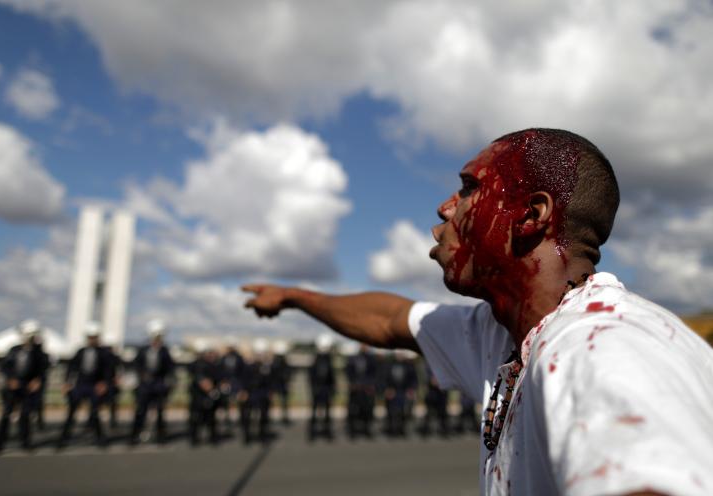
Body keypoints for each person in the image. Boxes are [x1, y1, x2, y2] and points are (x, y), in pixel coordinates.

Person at [243, 128, 713, 495]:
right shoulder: (502, 334)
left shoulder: (604, 346)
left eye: (469, 188)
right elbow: (390, 320)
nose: (445, 208)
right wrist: (293, 296)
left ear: (531, 216)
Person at [0, 320, 48, 453]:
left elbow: (43, 369)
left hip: (27, 388)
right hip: (12, 387)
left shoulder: (39, 353)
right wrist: (10, 379)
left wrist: (37, 380)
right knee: (6, 414)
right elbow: (4, 365)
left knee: (25, 416)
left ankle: (25, 442)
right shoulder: (14, 350)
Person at [58, 321, 114, 448]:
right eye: (90, 337)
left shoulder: (104, 353)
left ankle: (100, 439)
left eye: (94, 337)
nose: (92, 339)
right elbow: (72, 368)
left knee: (95, 413)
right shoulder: (81, 351)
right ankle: (63, 439)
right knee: (72, 412)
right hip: (80, 385)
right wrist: (67, 382)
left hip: (95, 386)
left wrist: (104, 383)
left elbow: (108, 370)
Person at [130, 319, 176, 445]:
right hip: (145, 386)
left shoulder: (165, 351)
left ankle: (161, 436)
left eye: (160, 336)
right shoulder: (143, 350)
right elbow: (136, 365)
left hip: (159, 385)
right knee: (140, 411)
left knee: (160, 412)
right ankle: (134, 435)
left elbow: (170, 368)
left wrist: (169, 382)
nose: (158, 339)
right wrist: (141, 375)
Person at [239, 338, 275, 444]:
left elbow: (270, 381)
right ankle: (247, 436)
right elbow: (243, 379)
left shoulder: (267, 367)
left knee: (264, 416)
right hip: (250, 393)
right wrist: (243, 391)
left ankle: (262, 435)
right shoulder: (248, 367)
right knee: (247, 415)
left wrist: (270, 392)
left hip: (262, 393)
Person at [188, 338, 222, 445]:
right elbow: (202, 381)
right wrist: (210, 389)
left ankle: (210, 437)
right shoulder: (198, 365)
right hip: (199, 395)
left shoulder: (211, 364)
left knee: (209, 417)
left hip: (204, 395)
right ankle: (196, 437)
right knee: (198, 417)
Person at [343, 341, 377, 439]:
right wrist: (352, 383)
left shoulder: (371, 359)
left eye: (366, 345)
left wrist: (370, 385)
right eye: (362, 345)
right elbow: (348, 372)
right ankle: (352, 431)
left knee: (367, 410)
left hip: (367, 389)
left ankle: (367, 430)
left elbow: (374, 373)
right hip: (355, 389)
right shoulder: (353, 358)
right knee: (353, 410)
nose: (364, 347)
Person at [382, 350, 418, 437]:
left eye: (401, 353)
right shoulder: (388, 365)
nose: (400, 355)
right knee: (391, 411)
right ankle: (391, 429)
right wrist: (388, 389)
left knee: (403, 412)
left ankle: (401, 429)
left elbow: (413, 379)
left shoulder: (409, 366)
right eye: (398, 353)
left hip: (403, 391)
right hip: (392, 391)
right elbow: (383, 378)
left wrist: (411, 390)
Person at [307, 334, 336, 441]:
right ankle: (312, 433)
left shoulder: (329, 359)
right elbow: (311, 376)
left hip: (326, 390)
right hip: (317, 390)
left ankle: (327, 432)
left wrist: (333, 389)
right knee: (314, 412)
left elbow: (332, 376)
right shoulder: (315, 359)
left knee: (327, 413)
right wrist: (313, 388)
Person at [218, 337, 245, 435]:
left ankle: (241, 420)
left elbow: (242, 372)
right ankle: (227, 420)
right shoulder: (223, 358)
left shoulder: (239, 358)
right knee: (225, 402)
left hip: (237, 383)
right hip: (226, 383)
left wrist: (242, 387)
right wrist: (222, 382)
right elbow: (220, 371)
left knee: (240, 402)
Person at [418, 362, 450, 438]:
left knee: (442, 412)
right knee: (429, 412)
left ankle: (443, 430)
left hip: (442, 391)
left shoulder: (444, 362)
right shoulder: (428, 364)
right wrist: (432, 380)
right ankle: (426, 430)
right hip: (432, 392)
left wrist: (441, 382)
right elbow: (425, 376)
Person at [270, 340, 293, 426]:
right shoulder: (281, 362)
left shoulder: (276, 362)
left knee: (282, 402)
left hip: (280, 384)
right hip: (279, 384)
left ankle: (284, 417)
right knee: (283, 402)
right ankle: (284, 418)